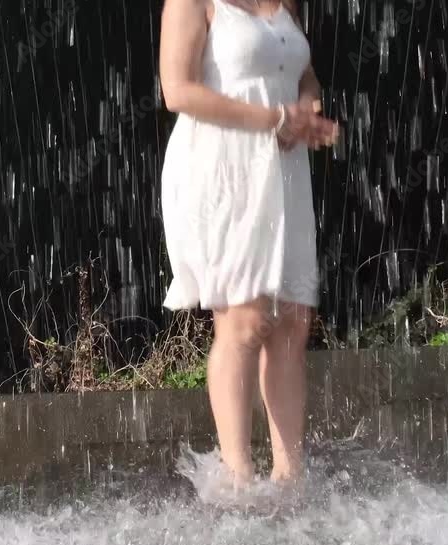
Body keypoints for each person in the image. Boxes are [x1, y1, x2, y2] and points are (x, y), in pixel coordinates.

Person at [159, 0, 338, 490]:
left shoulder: (284, 4)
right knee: (246, 319)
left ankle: (290, 479)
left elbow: (304, 74)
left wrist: (307, 108)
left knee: (293, 323)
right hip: (224, 168)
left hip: (283, 169)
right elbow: (177, 91)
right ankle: (235, 482)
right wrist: (274, 118)